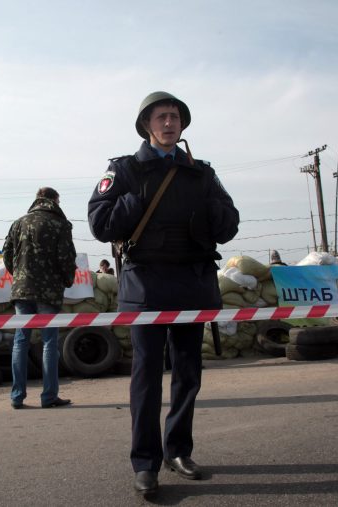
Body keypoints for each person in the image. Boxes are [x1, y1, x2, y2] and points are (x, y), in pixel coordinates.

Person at [87, 91, 240, 496]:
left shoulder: (202, 172)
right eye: (161, 117)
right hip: (146, 286)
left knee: (188, 374)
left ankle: (178, 451)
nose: (169, 123)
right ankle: (145, 463)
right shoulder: (123, 170)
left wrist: (210, 209)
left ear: (182, 125)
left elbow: (229, 224)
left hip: (192, 282)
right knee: (147, 378)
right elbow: (100, 225)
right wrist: (140, 197)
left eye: (175, 117)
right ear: (146, 125)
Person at [3, 187, 77, 409]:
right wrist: (67, 280)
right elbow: (66, 257)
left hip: (22, 290)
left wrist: (18, 276)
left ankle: (17, 397)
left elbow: (6, 253)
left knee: (20, 341)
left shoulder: (18, 223)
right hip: (49, 291)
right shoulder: (60, 224)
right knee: (49, 342)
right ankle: (49, 396)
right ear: (54, 200)